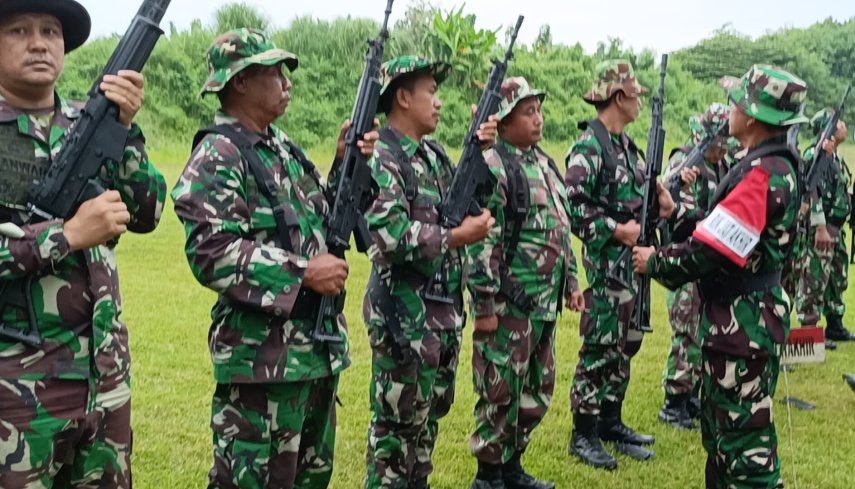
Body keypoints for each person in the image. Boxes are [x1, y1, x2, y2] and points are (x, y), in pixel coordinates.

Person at [172, 28, 378, 489]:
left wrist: (346, 166)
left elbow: (316, 219)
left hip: (312, 350)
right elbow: (211, 251)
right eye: (274, 72)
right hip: (260, 362)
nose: (287, 83)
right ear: (239, 82)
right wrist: (303, 272)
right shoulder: (218, 153)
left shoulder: (280, 147)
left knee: (309, 477)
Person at [0, 1, 166, 487]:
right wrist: (65, 235)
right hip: (15, 388)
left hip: (103, 381)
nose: (39, 42)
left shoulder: (89, 121)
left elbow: (147, 212)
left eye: (50, 31)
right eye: (19, 31)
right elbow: (67, 235)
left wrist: (125, 129)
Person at [634, 64, 808, 488]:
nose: (730, 109)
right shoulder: (763, 166)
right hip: (740, 325)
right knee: (723, 441)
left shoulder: (761, 174)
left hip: (742, 329)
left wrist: (654, 261)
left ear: (750, 116)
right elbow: (725, 232)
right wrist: (678, 213)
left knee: (746, 452)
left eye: (736, 102)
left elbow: (711, 251)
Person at [363, 55, 496, 489]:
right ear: (403, 97)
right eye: (430, 92)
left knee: (424, 431)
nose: (438, 102)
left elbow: (462, 200)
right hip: (403, 319)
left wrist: (480, 151)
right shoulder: (383, 157)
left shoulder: (433, 155)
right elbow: (390, 236)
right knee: (394, 438)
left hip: (440, 316)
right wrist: (458, 237)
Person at [467, 77, 583, 489]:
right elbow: (482, 239)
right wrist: (483, 307)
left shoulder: (545, 163)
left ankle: (512, 466)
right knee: (499, 391)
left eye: (538, 109)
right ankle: (489, 475)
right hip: (509, 304)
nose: (538, 119)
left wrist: (571, 282)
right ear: (502, 120)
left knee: (538, 387)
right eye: (527, 112)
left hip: (543, 303)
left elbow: (561, 227)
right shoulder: (493, 166)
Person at [564, 59, 674, 469]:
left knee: (626, 344)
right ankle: (584, 433)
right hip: (607, 269)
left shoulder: (628, 148)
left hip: (634, 267)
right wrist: (616, 230)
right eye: (634, 93)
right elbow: (572, 207)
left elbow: (642, 204)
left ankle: (610, 421)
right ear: (617, 97)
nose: (639, 99)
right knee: (599, 347)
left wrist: (661, 208)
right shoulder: (588, 149)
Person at [658, 104, 734, 430]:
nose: (722, 148)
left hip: (707, 256)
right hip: (684, 254)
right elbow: (663, 195)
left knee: (701, 331)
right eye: (718, 141)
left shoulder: (723, 164)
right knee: (686, 331)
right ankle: (673, 402)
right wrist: (681, 185)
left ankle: (689, 396)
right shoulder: (684, 161)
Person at [795, 108, 855, 347]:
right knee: (813, 279)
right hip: (820, 229)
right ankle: (810, 332)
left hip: (836, 228)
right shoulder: (814, 155)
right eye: (840, 123)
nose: (844, 126)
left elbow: (835, 189)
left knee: (836, 277)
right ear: (829, 130)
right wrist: (820, 226)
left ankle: (835, 325)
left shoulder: (836, 157)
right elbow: (810, 190)